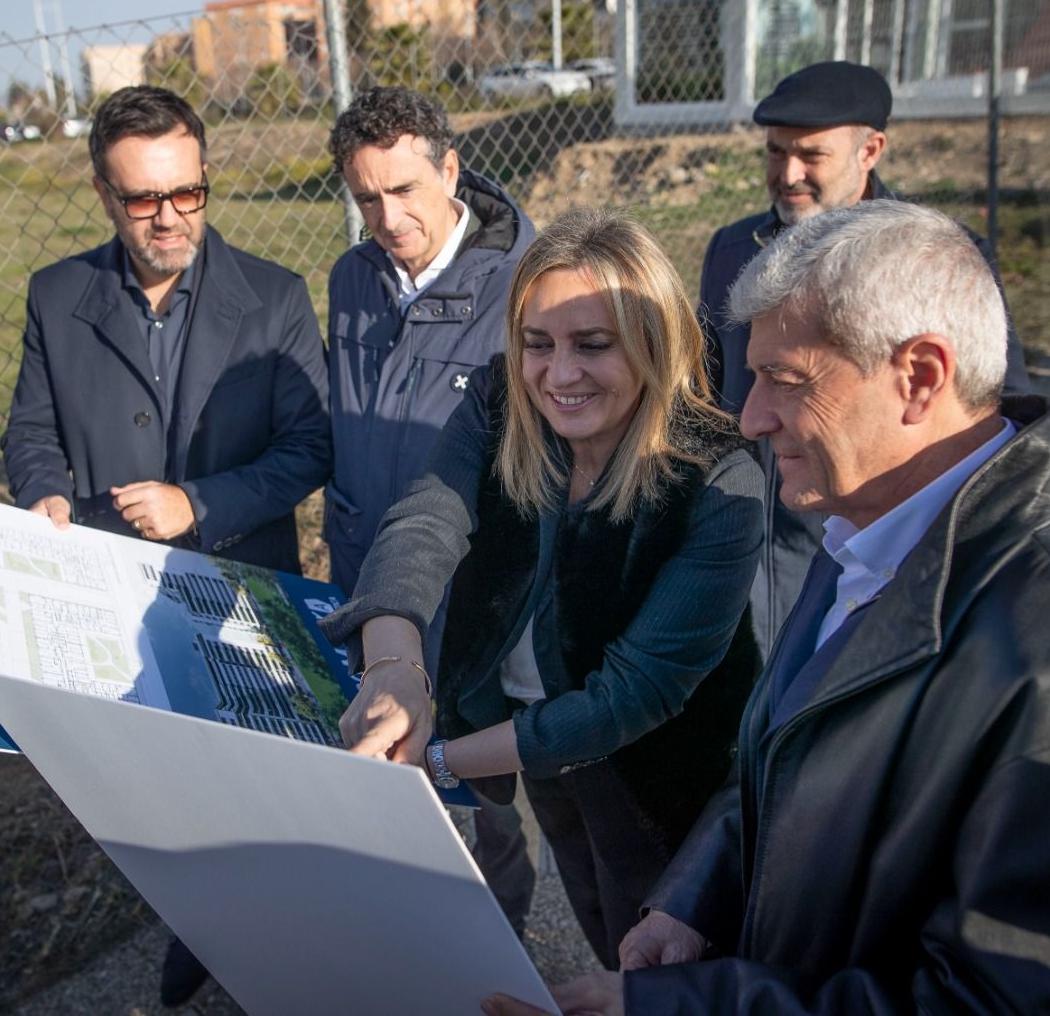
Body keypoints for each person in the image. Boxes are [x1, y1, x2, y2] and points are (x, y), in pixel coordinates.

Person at [483, 200, 1050, 1016]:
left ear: (918, 376)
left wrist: (685, 1007)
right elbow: (785, 768)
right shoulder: (865, 528)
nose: (752, 416)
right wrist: (693, 899)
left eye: (787, 379)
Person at [323, 208, 765, 969]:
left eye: (593, 345)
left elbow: (631, 697)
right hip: (529, 742)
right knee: (593, 915)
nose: (559, 375)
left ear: (654, 344)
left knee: (657, 950)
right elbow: (426, 519)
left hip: (656, 774)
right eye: (538, 344)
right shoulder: (501, 401)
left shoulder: (720, 481)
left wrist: (437, 761)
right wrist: (396, 668)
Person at [0, 86, 332, 1006]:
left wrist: (200, 501)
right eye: (144, 199)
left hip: (242, 589)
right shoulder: (58, 296)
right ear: (104, 194)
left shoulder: (272, 296)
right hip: (111, 588)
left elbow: (309, 446)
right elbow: (30, 431)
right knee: (166, 792)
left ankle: (291, 939)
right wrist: (44, 492)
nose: (170, 217)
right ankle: (206, 930)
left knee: (267, 781)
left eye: (189, 193)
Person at [698, 60, 1030, 650]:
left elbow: (992, 414)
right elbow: (712, 391)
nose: (788, 174)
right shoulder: (730, 249)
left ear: (870, 150)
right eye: (775, 153)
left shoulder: (936, 261)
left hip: (871, 557)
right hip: (745, 544)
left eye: (812, 156)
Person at [324, 85, 538, 934]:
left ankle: (498, 946)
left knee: (480, 800)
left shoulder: (523, 289)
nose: (387, 215)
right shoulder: (352, 278)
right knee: (382, 773)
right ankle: (403, 938)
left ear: (450, 169)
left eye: (405, 189)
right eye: (366, 197)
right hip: (371, 581)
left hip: (473, 598)